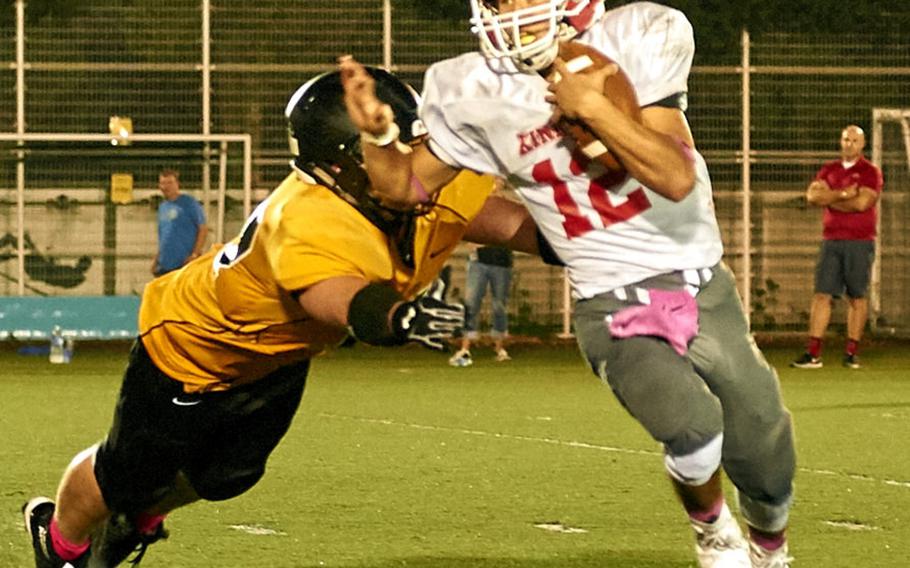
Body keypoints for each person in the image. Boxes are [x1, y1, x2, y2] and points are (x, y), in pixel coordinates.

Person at [22, 66, 543, 568]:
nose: (416, 160)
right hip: (193, 345)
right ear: (341, 165)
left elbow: (505, 221)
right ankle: (60, 543)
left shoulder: (412, 183)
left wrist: (592, 236)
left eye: (409, 143)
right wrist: (397, 317)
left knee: (228, 476)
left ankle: (135, 520)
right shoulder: (305, 216)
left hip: (278, 354)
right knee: (126, 475)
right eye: (391, 147)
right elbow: (333, 297)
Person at [340, 1, 796, 566]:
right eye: (498, 1)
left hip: (701, 283)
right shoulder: (471, 85)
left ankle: (771, 547)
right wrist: (380, 135)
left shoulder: (636, 36)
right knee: (692, 426)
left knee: (763, 444)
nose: (505, 10)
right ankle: (713, 530)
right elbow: (402, 187)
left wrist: (595, 109)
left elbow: (675, 176)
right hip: (608, 300)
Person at [790, 124, 883, 370]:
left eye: (854, 140)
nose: (849, 144)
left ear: (862, 144)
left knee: (856, 296)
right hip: (831, 240)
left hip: (860, 243)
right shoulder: (829, 169)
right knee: (822, 294)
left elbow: (862, 203)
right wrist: (842, 195)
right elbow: (812, 197)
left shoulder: (870, 172)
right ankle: (813, 353)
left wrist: (829, 199)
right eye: (845, 139)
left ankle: (851, 352)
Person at [448, 243, 514, 366]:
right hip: (478, 262)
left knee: (499, 305)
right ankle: (465, 348)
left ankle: (499, 348)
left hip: (502, 262)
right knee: (471, 303)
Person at [151, 169, 208, 276]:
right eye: (163, 183)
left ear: (177, 184)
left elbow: (203, 229)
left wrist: (195, 254)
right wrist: (157, 258)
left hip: (184, 263)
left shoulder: (189, 203)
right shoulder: (163, 207)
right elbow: (163, 236)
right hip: (165, 264)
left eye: (170, 183)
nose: (166, 186)